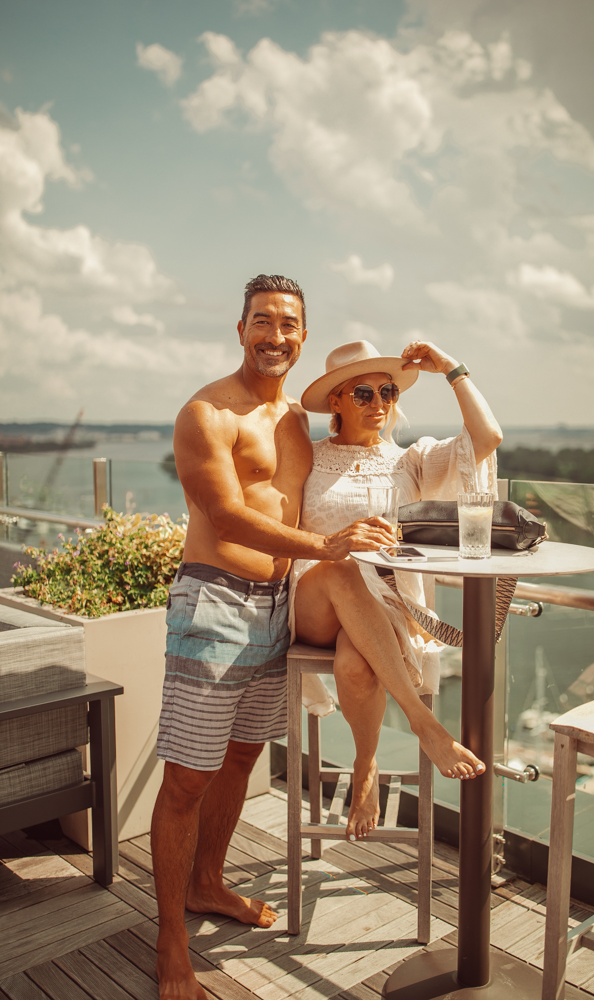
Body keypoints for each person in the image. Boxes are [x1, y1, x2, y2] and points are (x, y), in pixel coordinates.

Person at [151, 276, 398, 1000]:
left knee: (239, 761)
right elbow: (223, 515)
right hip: (215, 603)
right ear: (240, 329)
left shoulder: (298, 420)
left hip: (276, 606)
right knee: (185, 780)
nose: (275, 335)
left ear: (302, 337)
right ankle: (170, 943)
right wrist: (327, 551)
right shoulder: (205, 412)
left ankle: (206, 884)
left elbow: (368, 456)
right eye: (262, 321)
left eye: (289, 324)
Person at [291, 339, 503, 843]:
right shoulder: (305, 458)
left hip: (382, 611)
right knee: (343, 570)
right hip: (316, 599)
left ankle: (365, 765)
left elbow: (487, 437)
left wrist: (451, 368)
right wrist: (333, 543)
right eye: (362, 393)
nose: (379, 403)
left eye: (387, 391)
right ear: (336, 402)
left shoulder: (409, 462)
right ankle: (424, 724)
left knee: (355, 663)